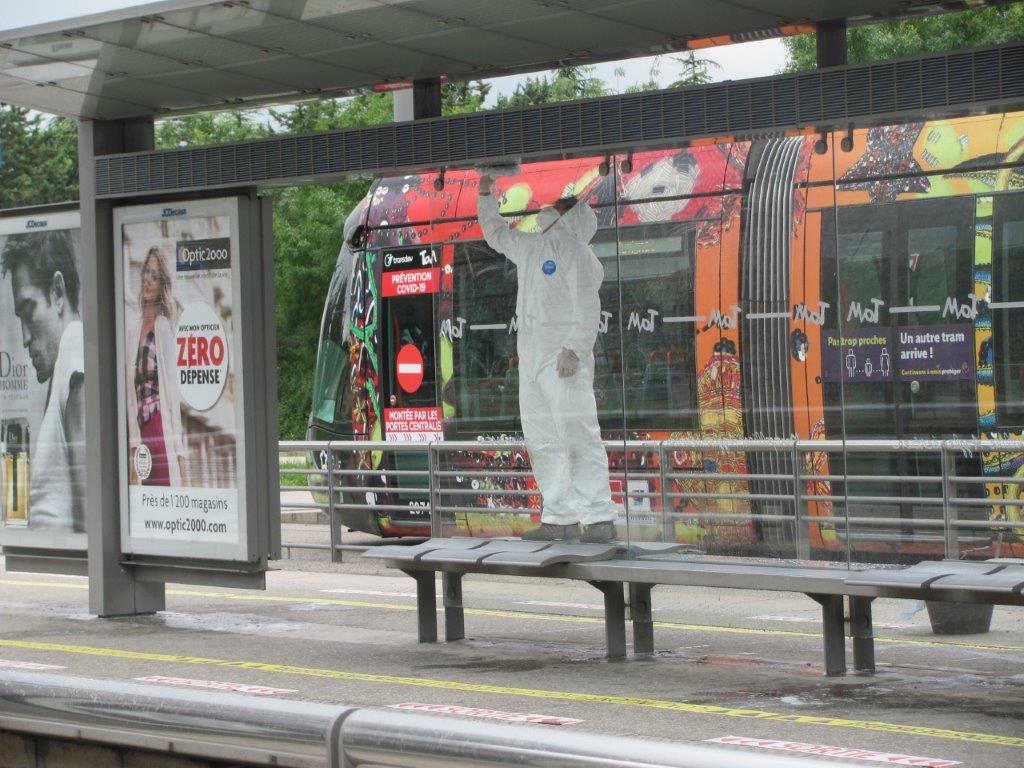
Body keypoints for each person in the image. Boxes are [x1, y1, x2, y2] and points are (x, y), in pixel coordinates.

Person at [477, 172, 619, 543]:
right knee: (543, 440)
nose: (552, 208)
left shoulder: (572, 251)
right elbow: (496, 233)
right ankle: (559, 516)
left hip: (561, 361)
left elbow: (588, 304)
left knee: (577, 436)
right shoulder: (533, 247)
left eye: (562, 206)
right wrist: (485, 195)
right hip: (533, 362)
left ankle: (599, 517)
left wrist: (574, 347)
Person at [1, 231, 85, 532]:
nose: (25, 338)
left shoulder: (74, 348)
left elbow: (89, 517)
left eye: (29, 311)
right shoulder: (66, 363)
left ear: (57, 292)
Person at [127, 246, 187, 487]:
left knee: (164, 497)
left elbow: (172, 395)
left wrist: (181, 459)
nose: (148, 280)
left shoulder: (162, 327)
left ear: (162, 284)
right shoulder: (132, 331)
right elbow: (130, 396)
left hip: (159, 428)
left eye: (155, 275)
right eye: (146, 272)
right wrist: (133, 447)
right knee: (143, 501)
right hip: (140, 434)